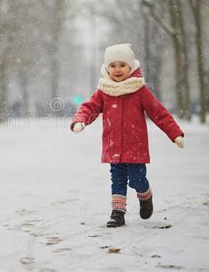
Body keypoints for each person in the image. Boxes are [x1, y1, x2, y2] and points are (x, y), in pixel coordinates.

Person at [70, 43, 184, 228]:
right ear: (107, 68)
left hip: (136, 147)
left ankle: (145, 194)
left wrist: (175, 133)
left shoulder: (139, 90)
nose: (117, 69)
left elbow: (159, 113)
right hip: (114, 146)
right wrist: (80, 119)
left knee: (137, 179)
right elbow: (89, 107)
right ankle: (117, 213)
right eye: (112, 65)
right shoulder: (104, 91)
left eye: (122, 65)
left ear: (131, 67)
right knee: (118, 179)